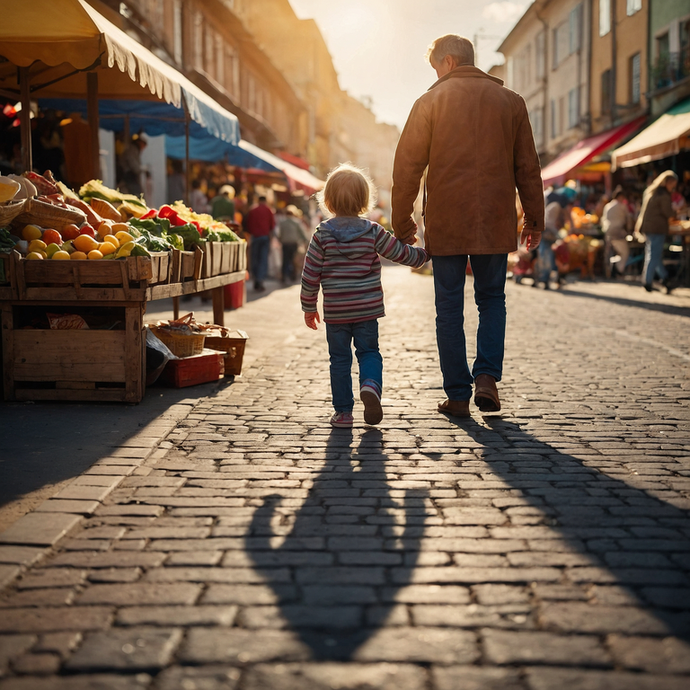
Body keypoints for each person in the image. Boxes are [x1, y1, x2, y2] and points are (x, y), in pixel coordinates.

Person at [391, 34, 544, 418]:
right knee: (492, 299)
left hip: (446, 220)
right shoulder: (512, 102)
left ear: (447, 61)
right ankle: (487, 378)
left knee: (448, 307)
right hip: (494, 219)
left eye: (435, 67)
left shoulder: (429, 101)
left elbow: (407, 166)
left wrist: (402, 220)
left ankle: (458, 394)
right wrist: (534, 218)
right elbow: (527, 166)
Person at [301, 163, 429, 428]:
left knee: (339, 359)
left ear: (328, 199)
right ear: (364, 200)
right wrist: (427, 254)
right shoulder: (373, 231)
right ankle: (370, 384)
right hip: (367, 310)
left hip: (336, 312)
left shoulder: (322, 234)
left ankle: (344, 413)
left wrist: (309, 306)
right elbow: (402, 254)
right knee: (369, 352)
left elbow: (310, 273)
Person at [636, 170, 678, 293]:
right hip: (657, 228)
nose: (673, 187)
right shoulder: (663, 195)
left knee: (654, 254)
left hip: (648, 228)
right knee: (654, 255)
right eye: (672, 184)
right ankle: (647, 281)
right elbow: (668, 213)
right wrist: (677, 211)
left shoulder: (652, 191)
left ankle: (665, 278)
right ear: (668, 182)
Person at [537, 196, 572, 289]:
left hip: (548, 235)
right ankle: (544, 278)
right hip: (547, 234)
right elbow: (549, 223)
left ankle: (546, 279)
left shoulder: (558, 207)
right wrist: (558, 235)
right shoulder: (556, 206)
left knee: (547, 257)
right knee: (546, 257)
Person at [243, 195, 275, 291]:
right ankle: (260, 280)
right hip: (265, 237)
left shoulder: (252, 210)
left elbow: (247, 223)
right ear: (265, 201)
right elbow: (272, 225)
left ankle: (256, 278)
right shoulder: (269, 210)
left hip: (254, 237)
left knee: (255, 258)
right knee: (263, 258)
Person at [602, 186, 632, 278]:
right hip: (618, 232)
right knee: (625, 252)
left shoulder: (607, 206)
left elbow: (603, 219)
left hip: (608, 232)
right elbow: (628, 220)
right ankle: (618, 269)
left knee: (612, 252)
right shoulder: (622, 206)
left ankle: (612, 267)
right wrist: (630, 230)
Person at [278, 205, 310, 283]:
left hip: (285, 243)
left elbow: (279, 233)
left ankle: (284, 275)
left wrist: (280, 239)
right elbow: (302, 232)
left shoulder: (282, 222)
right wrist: (306, 241)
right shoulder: (296, 222)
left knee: (285, 259)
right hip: (293, 243)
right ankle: (293, 275)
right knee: (293, 260)